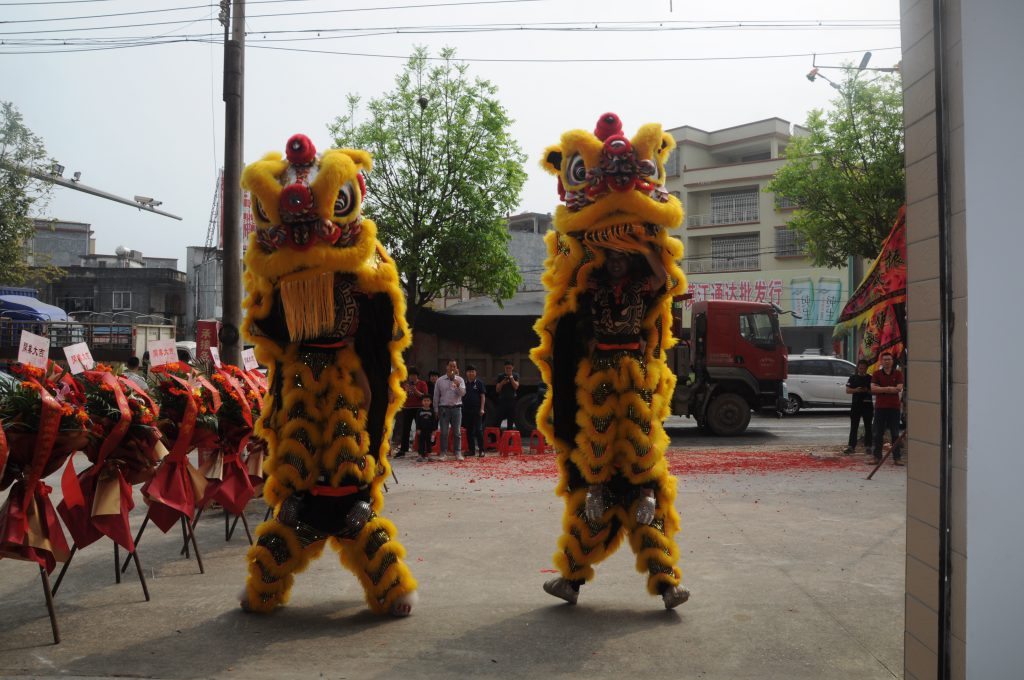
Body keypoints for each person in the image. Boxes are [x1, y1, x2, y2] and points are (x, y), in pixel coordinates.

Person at [871, 351, 905, 466]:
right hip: (880, 407)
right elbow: (873, 389)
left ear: (892, 361)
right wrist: (890, 388)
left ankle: (897, 458)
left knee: (895, 433)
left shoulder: (898, 374)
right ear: (881, 361)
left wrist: (882, 389)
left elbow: (899, 388)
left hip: (894, 407)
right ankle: (877, 457)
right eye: (884, 359)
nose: (887, 361)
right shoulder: (876, 374)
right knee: (878, 433)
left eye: (889, 359)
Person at [433, 359, 466, 461]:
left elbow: (463, 394)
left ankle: (458, 452)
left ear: (456, 368)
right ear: (446, 367)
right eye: (450, 366)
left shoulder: (460, 380)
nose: (452, 368)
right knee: (444, 432)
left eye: (454, 366)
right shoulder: (440, 380)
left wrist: (457, 385)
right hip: (444, 409)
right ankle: (443, 453)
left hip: (456, 408)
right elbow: (436, 396)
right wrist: (435, 409)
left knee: (457, 432)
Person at [844, 359, 873, 456]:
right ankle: (851, 446)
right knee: (854, 426)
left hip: (868, 405)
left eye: (864, 368)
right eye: (860, 368)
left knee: (868, 426)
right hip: (856, 405)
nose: (862, 370)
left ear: (867, 368)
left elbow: (874, 391)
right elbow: (847, 390)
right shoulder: (853, 378)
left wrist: (867, 390)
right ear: (858, 368)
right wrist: (856, 390)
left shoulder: (870, 378)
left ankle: (868, 446)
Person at [396, 367, 427, 457]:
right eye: (410, 375)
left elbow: (424, 396)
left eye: (414, 375)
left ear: (417, 376)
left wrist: (415, 390)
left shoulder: (422, 383)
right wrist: (405, 390)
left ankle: (422, 449)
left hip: (418, 409)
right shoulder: (405, 385)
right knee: (405, 429)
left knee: (420, 429)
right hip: (407, 409)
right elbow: (401, 397)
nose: (412, 377)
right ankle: (403, 449)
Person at [462, 364, 487, 457]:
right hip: (466, 410)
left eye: (473, 371)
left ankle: (481, 450)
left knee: (478, 430)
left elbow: (482, 396)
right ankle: (471, 450)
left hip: (477, 410)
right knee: (469, 431)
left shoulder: (479, 383)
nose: (471, 373)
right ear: (466, 373)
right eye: (469, 372)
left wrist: (482, 409)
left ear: (475, 373)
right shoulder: (463, 383)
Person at [494, 360, 520, 431]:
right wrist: (502, 382)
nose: (508, 369)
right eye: (506, 368)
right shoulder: (500, 376)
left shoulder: (515, 375)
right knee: (497, 420)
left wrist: (511, 377)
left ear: (512, 368)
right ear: (504, 368)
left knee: (510, 422)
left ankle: (509, 440)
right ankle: (496, 438)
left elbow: (516, 387)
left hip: (512, 401)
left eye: (510, 368)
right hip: (502, 401)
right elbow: (497, 389)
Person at [414, 395, 438, 461]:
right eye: (424, 401)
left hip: (429, 431)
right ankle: (420, 456)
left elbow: (434, 421)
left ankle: (429, 456)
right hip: (421, 430)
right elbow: (417, 420)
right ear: (422, 402)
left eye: (428, 401)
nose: (426, 402)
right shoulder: (419, 411)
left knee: (429, 443)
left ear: (430, 402)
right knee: (421, 443)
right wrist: (418, 429)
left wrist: (434, 430)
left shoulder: (432, 411)